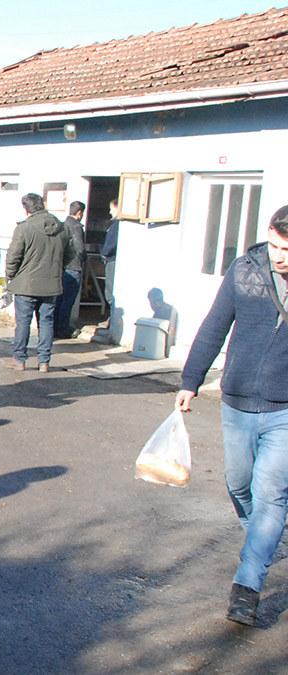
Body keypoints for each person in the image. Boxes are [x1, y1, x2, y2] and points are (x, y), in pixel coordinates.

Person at [176, 205, 288, 626]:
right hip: (237, 400)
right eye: (275, 246)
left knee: (271, 493)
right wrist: (190, 379)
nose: (280, 257)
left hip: (285, 408)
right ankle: (262, 537)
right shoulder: (244, 271)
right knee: (239, 483)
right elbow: (214, 326)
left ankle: (248, 584)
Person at [4, 194, 72, 373]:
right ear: (43, 205)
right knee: (47, 322)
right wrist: (57, 269)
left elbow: (13, 256)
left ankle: (19, 359)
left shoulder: (24, 228)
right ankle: (44, 362)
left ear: (26, 209)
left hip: (26, 284)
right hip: (51, 283)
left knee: (23, 322)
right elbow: (71, 254)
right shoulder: (63, 228)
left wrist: (11, 275)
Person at [55, 201, 86, 339]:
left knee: (58, 300)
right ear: (80, 213)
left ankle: (55, 328)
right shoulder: (76, 226)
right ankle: (63, 329)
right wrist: (85, 258)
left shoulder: (62, 225)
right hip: (73, 267)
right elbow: (80, 249)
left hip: (61, 267)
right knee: (68, 301)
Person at [101, 199, 120, 327]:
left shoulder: (115, 225)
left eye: (112, 208)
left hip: (112, 260)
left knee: (110, 291)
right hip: (113, 259)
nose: (110, 211)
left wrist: (104, 253)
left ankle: (112, 319)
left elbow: (110, 244)